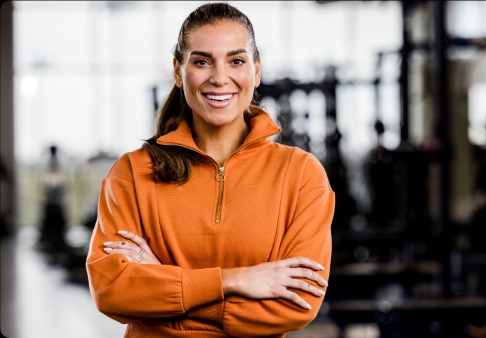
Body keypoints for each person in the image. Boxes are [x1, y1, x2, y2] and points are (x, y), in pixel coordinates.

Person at [86, 3, 335, 337]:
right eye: (201, 61)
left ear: (256, 71)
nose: (220, 78)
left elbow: (296, 302)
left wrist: (166, 289)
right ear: (178, 71)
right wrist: (237, 281)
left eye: (236, 61)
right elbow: (112, 289)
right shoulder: (132, 173)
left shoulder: (301, 174)